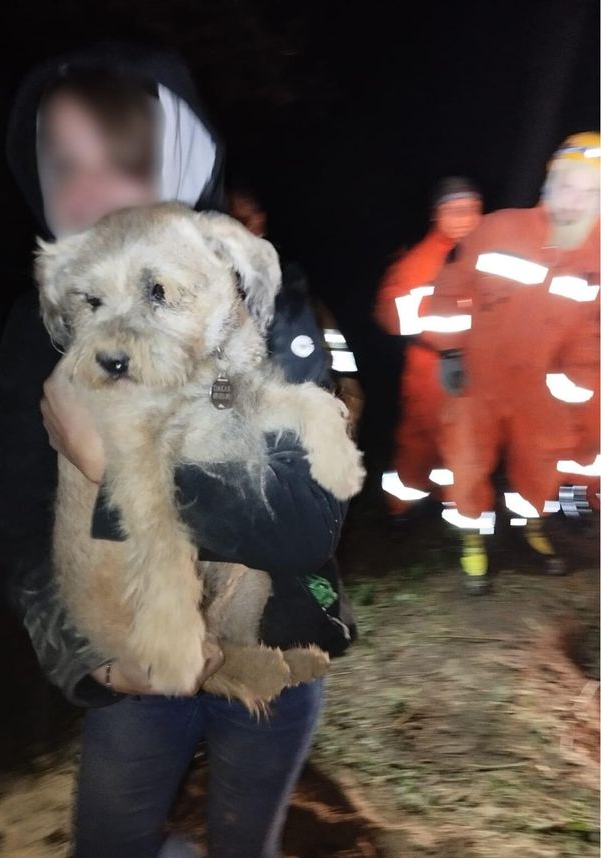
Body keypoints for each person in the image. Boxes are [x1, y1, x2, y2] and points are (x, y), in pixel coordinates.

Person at [0, 43, 356, 858]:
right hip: (136, 668)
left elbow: (305, 520)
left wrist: (108, 459)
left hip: (273, 646)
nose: (88, 188)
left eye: (123, 157)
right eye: (61, 162)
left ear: (186, 155)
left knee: (246, 856)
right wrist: (81, 656)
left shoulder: (266, 299)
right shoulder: (39, 330)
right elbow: (6, 512)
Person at [421, 133, 600, 592]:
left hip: (541, 385)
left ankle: (530, 531)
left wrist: (578, 387)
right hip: (478, 380)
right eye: (568, 185)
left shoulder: (596, 255)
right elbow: (446, 291)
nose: (575, 200)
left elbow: (590, 330)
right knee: (466, 466)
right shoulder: (499, 229)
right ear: (549, 184)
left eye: (591, 190)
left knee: (540, 468)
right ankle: (474, 545)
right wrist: (451, 350)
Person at [374, 177, 483, 516]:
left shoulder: (486, 257)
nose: (464, 218)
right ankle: (400, 509)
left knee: (463, 442)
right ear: (438, 215)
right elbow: (388, 316)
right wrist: (437, 334)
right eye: (455, 210)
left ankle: (453, 506)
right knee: (419, 442)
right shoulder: (418, 263)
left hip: (476, 369)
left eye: (471, 210)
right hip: (429, 369)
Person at [228, 181, 365, 434]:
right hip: (251, 423)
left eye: (256, 214)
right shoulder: (210, 283)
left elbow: (327, 326)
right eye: (242, 219)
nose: (254, 224)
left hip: (311, 411)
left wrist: (348, 379)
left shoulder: (290, 274)